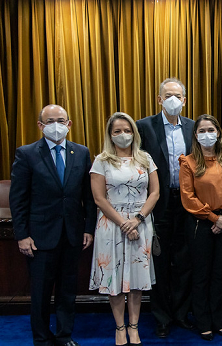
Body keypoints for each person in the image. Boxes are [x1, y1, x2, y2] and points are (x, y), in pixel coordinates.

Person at [9, 105, 96, 346]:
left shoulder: (81, 152)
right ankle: (41, 338)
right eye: (50, 121)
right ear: (40, 125)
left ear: (69, 124)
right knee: (40, 292)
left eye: (61, 120)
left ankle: (64, 335)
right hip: (39, 235)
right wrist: (22, 235)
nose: (56, 125)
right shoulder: (26, 154)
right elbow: (18, 199)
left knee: (68, 289)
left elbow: (87, 196)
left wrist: (88, 228)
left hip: (72, 234)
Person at [89, 112, 160, 346]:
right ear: (110, 134)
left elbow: (155, 192)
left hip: (141, 223)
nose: (123, 135)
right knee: (115, 279)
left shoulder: (145, 158)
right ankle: (120, 327)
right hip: (112, 225)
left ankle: (134, 327)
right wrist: (123, 223)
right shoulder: (101, 160)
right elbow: (99, 199)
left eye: (127, 130)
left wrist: (137, 219)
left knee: (137, 280)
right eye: (117, 131)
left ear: (134, 133)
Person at [136, 77, 195, 337]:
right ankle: (161, 317)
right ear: (159, 99)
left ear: (184, 100)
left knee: (184, 261)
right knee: (158, 261)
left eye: (178, 95)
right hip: (156, 202)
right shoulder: (143, 127)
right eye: (167, 95)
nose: (173, 99)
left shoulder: (194, 127)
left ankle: (181, 314)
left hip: (187, 202)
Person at [178, 114, 222, 341]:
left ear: (218, 133)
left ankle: (218, 321)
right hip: (201, 224)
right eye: (202, 131)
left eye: (211, 130)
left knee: (219, 276)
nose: (207, 134)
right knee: (201, 275)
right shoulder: (188, 162)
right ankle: (203, 322)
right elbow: (187, 197)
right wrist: (213, 219)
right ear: (195, 135)